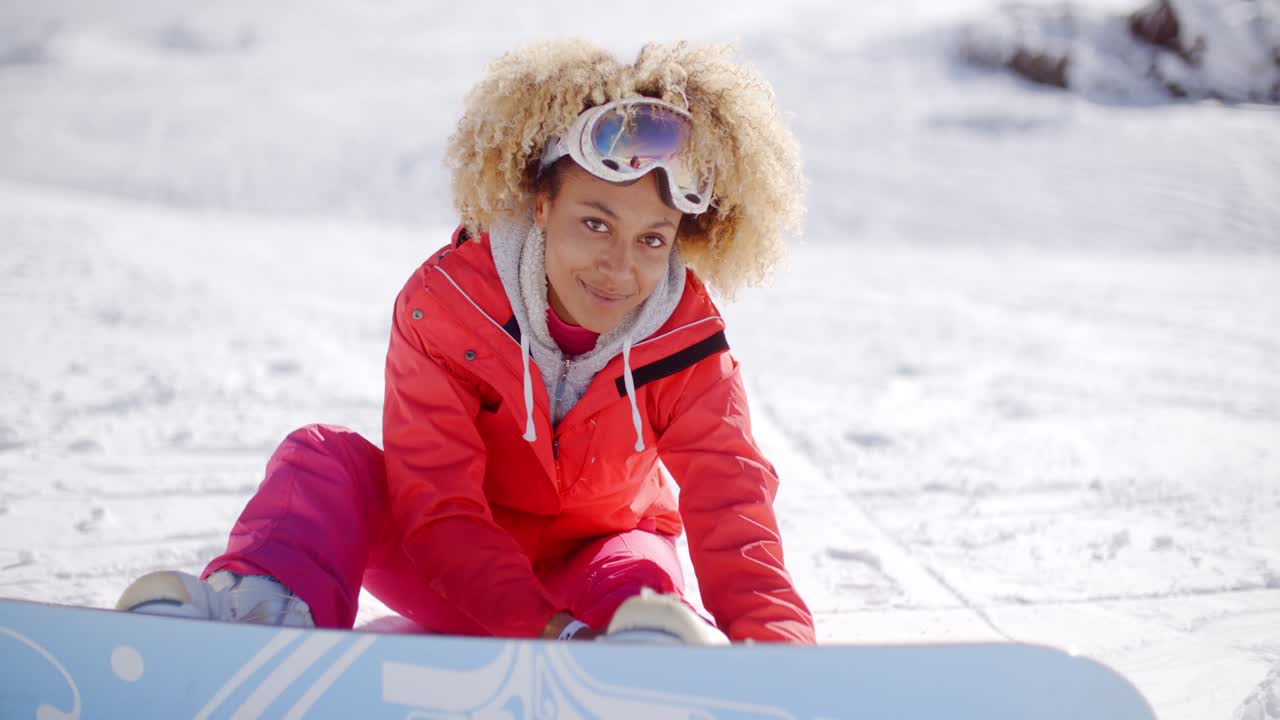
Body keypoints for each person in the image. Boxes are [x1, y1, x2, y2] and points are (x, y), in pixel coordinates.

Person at [116, 39, 814, 645]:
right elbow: (438, 505)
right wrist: (544, 630)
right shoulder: (448, 309)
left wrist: (780, 662)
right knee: (322, 459)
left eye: (652, 239)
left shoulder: (687, 342)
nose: (619, 267)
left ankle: (644, 650)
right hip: (448, 566)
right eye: (595, 224)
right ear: (541, 205)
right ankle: (262, 612)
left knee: (640, 567)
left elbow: (732, 507)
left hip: (597, 578)